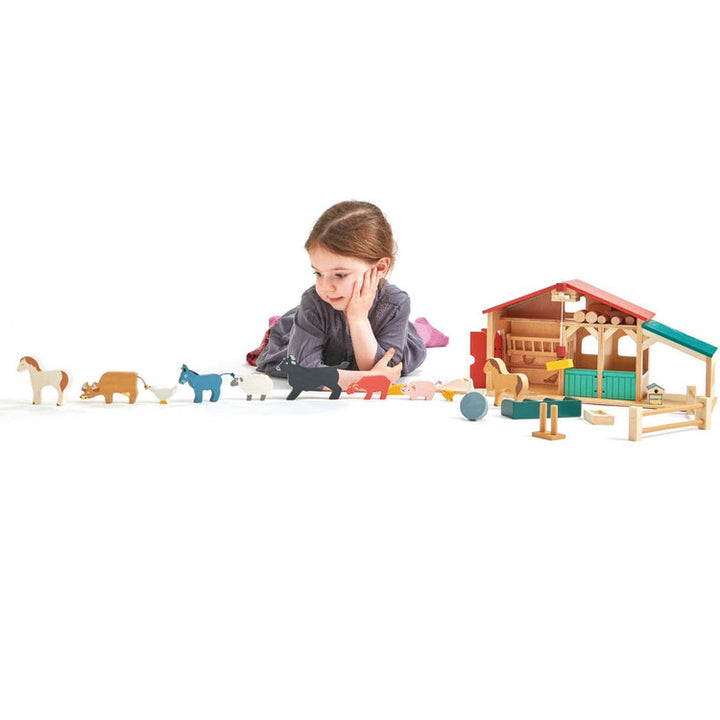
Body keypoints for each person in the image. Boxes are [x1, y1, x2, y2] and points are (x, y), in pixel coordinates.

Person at [254, 200, 426, 388]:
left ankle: (422, 328)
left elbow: (385, 369)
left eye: (340, 275)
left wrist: (358, 319)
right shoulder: (314, 301)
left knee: (413, 335)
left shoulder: (395, 303)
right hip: (319, 325)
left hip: (385, 329)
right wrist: (367, 379)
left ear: (379, 268)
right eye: (318, 273)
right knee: (289, 329)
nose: (326, 287)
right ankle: (288, 324)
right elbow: (302, 374)